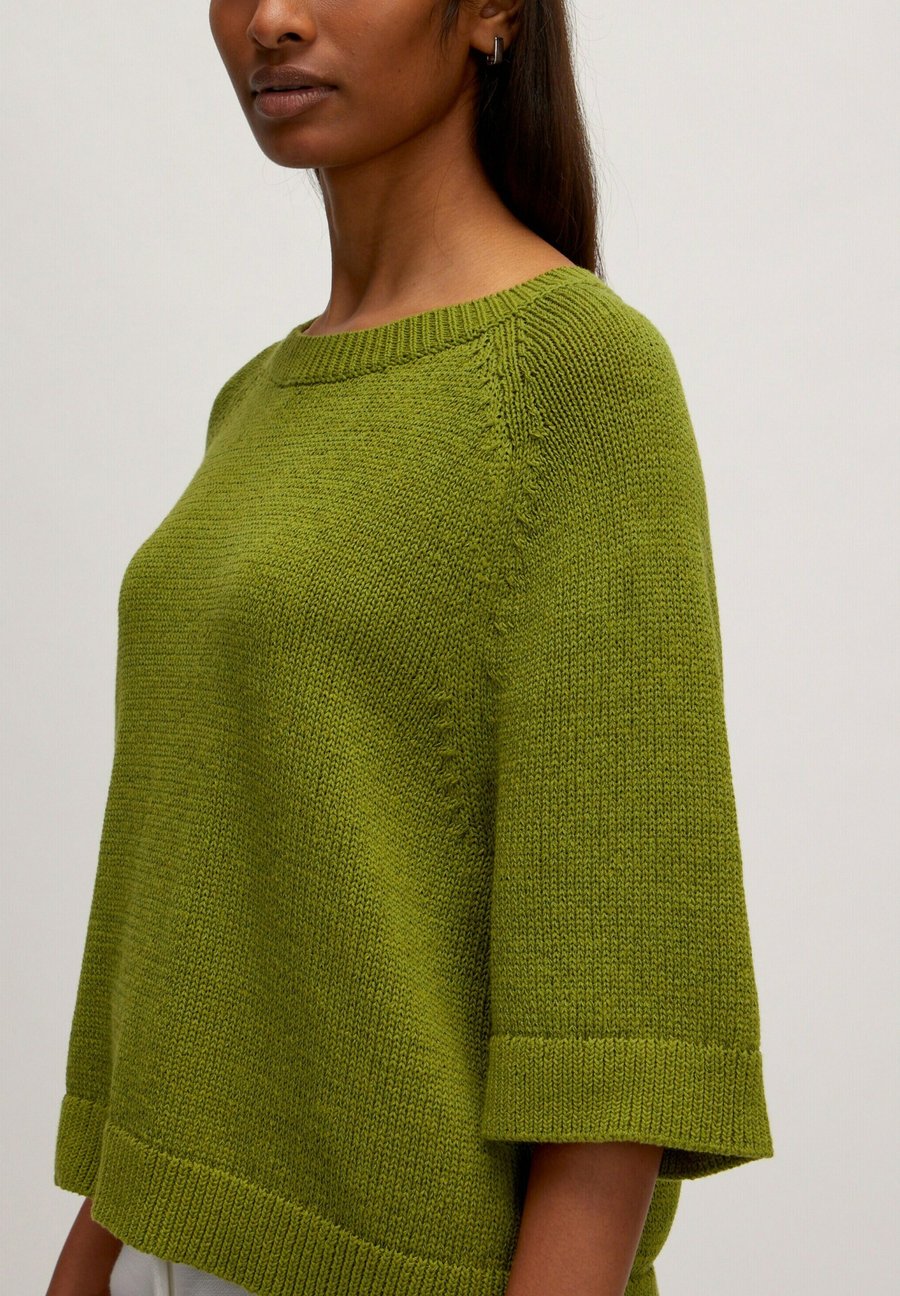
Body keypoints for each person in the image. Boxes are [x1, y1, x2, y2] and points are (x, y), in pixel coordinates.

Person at [46, 1, 775, 1294]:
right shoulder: (255, 401)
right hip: (174, 1240)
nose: (272, 20)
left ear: (492, 12)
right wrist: (93, 1250)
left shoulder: (577, 376)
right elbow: (206, 889)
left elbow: (617, 1009)